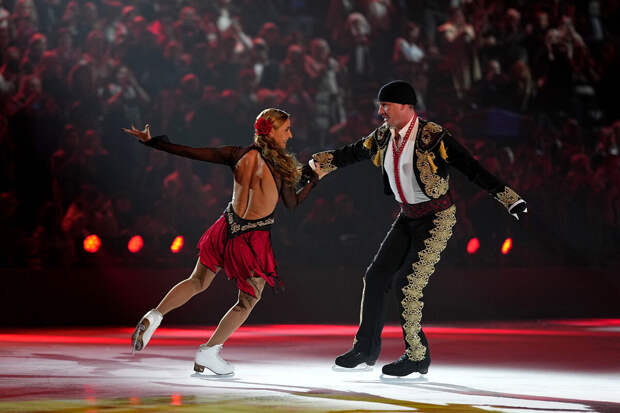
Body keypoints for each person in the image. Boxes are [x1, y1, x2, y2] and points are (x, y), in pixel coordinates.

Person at [309, 80, 527, 377]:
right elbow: (351, 153)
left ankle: (417, 355)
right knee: (375, 277)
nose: (380, 111)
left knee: (407, 284)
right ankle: (365, 350)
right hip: (407, 216)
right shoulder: (383, 136)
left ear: (405, 106)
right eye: (380, 105)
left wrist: (510, 199)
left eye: (385, 105)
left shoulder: (434, 136)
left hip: (437, 218)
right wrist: (317, 166)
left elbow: (472, 168)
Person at [123, 108, 318, 375]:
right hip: (251, 239)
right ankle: (209, 352)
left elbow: (190, 152)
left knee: (197, 281)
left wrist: (152, 141)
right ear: (271, 131)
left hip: (225, 228)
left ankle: (155, 315)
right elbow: (292, 204)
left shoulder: (237, 154)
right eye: (286, 129)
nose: (290, 135)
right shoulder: (279, 169)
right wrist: (314, 180)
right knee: (248, 300)